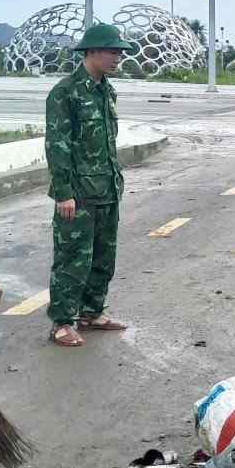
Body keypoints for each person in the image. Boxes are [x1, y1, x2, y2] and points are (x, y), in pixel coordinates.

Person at [44, 23, 138, 348]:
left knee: (103, 256)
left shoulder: (106, 91)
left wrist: (115, 185)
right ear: (91, 52)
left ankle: (92, 312)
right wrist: (63, 192)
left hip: (107, 190)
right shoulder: (65, 92)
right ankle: (61, 322)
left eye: (119, 52)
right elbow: (57, 146)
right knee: (72, 259)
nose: (117, 58)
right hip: (79, 195)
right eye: (112, 51)